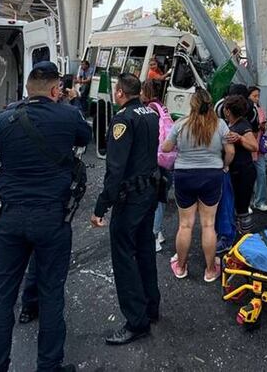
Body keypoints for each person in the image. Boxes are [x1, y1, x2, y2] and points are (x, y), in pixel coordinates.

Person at [0, 61, 91, 372]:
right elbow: (85, 138)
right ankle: (49, 366)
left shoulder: (1, 122)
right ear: (54, 90)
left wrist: (4, 184)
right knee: (51, 295)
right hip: (52, 219)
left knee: (2, 299)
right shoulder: (68, 115)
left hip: (9, 218)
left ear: (26, 90)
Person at [88, 73, 162, 345]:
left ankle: (136, 321)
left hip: (130, 198)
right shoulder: (151, 113)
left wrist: (100, 207)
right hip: (148, 193)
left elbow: (115, 169)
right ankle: (151, 307)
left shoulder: (122, 119)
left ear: (119, 92)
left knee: (123, 258)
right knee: (144, 252)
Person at [160, 87, 233, 282]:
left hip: (185, 175)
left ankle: (181, 267)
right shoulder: (220, 125)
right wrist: (224, 166)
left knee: (185, 225)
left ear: (192, 105)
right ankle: (210, 270)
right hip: (212, 175)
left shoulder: (181, 124)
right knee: (208, 225)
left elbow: (165, 148)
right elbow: (230, 152)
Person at [142, 79, 172, 253]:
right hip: (166, 158)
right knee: (161, 196)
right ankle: (158, 231)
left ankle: (153, 235)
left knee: (154, 198)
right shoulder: (162, 107)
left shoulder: (150, 109)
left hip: (156, 157)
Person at [223, 95, 259, 237]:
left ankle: (246, 238)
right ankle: (237, 235)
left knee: (242, 208)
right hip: (236, 172)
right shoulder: (231, 125)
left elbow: (254, 146)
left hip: (244, 173)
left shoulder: (243, 126)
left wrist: (240, 138)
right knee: (235, 206)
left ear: (227, 111)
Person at [248, 86, 267, 212]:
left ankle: (259, 201)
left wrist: (263, 127)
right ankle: (246, 202)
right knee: (247, 176)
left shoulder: (260, 110)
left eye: (258, 96)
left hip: (259, 148)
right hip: (248, 146)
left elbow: (264, 126)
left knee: (261, 174)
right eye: (254, 96)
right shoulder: (245, 110)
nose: (256, 99)